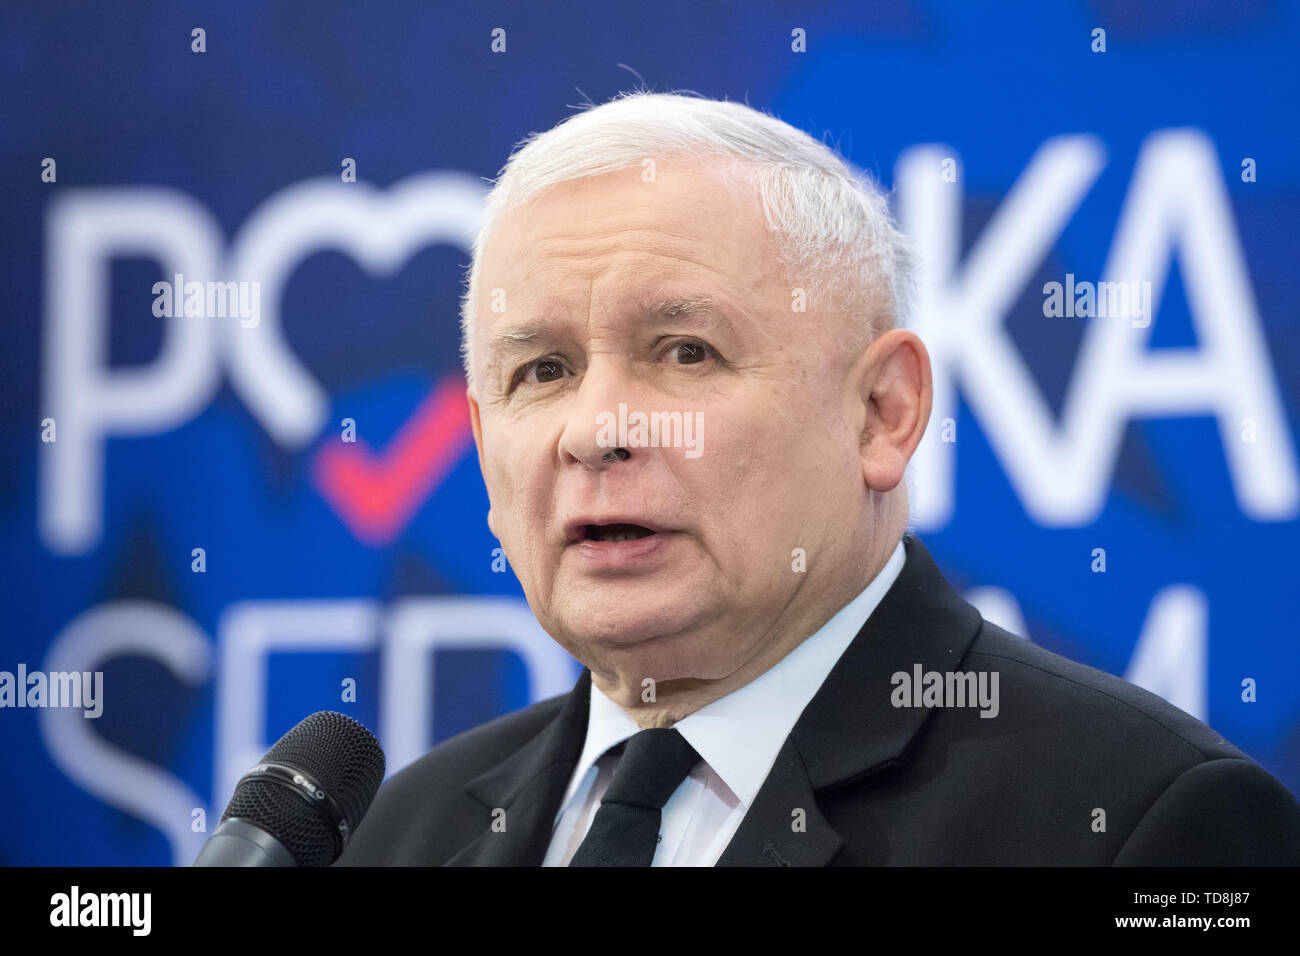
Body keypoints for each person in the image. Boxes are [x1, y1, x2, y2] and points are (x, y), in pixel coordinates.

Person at [336, 92, 1300, 866]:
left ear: (883, 412)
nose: (597, 431)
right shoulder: (400, 834)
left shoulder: (1142, 819)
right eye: (542, 371)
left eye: (684, 351)